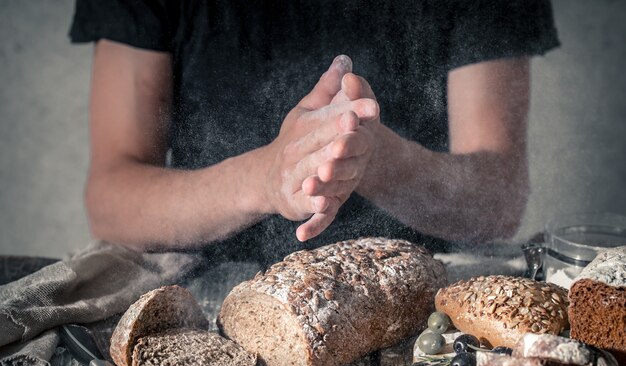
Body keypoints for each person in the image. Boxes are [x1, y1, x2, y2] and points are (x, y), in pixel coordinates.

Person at [69, 0, 559, 266]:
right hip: (203, 302)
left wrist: (374, 158)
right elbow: (111, 197)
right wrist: (263, 179)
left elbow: (498, 199)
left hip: (417, 303)